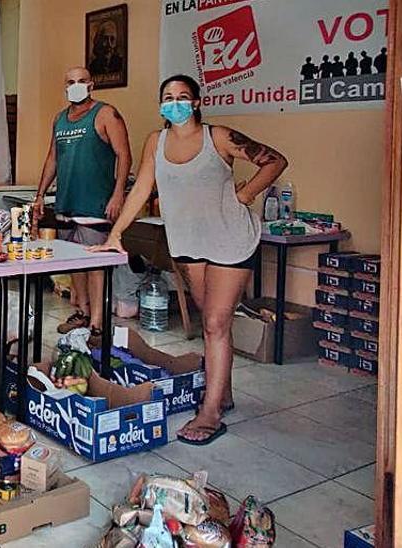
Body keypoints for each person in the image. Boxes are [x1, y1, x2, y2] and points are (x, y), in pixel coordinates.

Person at [89, 75, 288, 446]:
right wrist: (116, 234)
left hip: (230, 238)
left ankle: (211, 411)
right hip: (189, 241)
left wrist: (245, 193)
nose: (175, 103)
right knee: (211, 317)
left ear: (197, 103)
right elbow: (143, 188)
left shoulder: (220, 137)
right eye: (168, 97)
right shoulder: (156, 142)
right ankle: (222, 392)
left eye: (183, 97)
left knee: (214, 323)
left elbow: (275, 161)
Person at [31, 66, 132, 347]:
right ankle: (81, 312)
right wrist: (40, 195)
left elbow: (124, 155)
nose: (76, 85)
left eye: (81, 81)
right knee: (74, 261)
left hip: (95, 202)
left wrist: (118, 194)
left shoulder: (105, 114)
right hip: (66, 202)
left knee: (95, 263)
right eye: (70, 82)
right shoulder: (60, 119)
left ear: (91, 85)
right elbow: (53, 157)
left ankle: (97, 324)